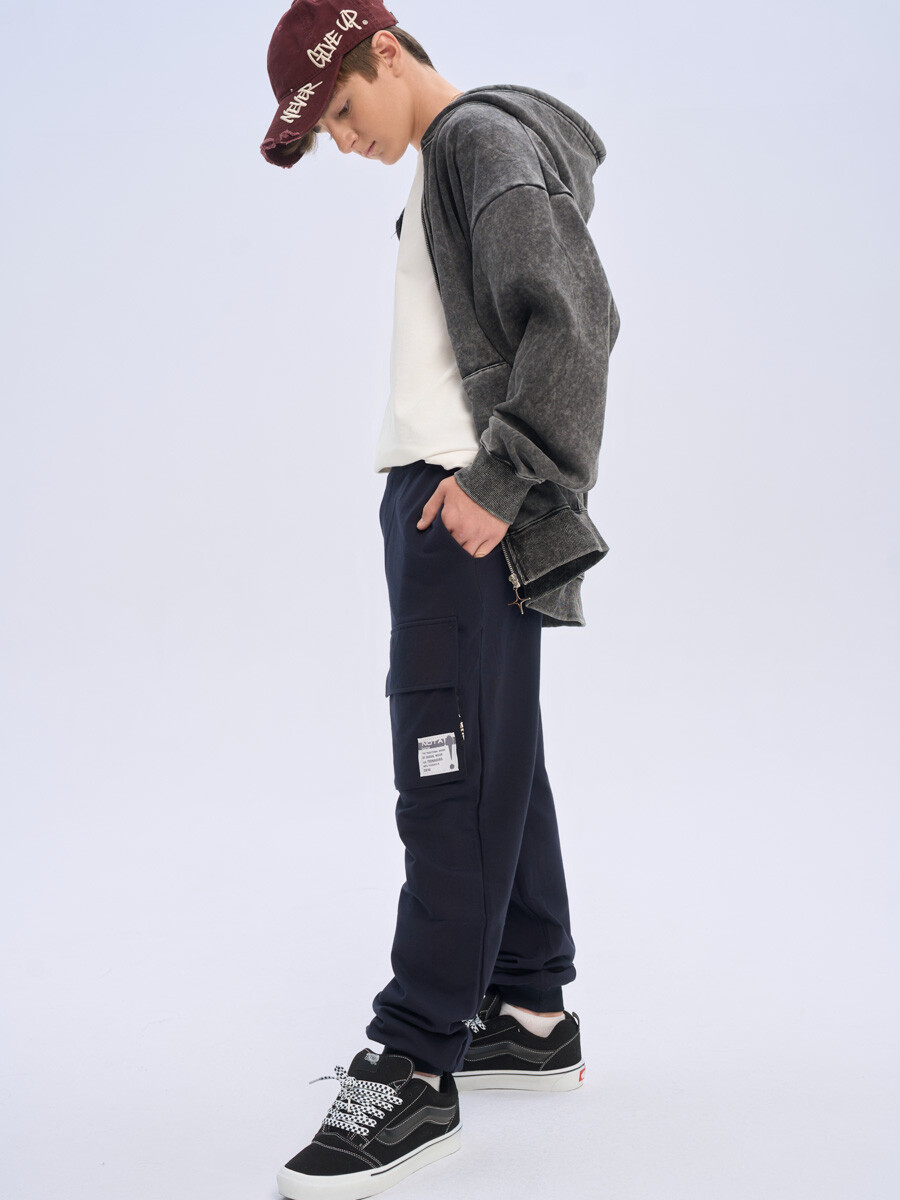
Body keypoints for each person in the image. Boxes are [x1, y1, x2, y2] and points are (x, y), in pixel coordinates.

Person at [259, 3, 620, 1196]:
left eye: (340, 111)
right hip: (451, 499)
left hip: (464, 504)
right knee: (495, 753)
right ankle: (527, 1008)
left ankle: (415, 1061)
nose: (342, 140)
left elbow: (576, 320)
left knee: (445, 773)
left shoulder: (473, 141)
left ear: (386, 53)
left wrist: (498, 481)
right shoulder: (453, 157)